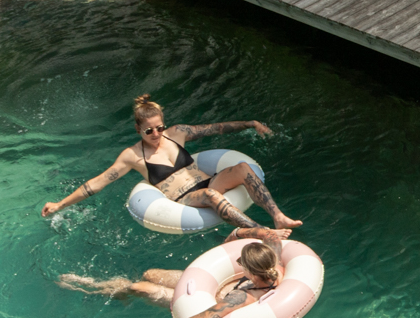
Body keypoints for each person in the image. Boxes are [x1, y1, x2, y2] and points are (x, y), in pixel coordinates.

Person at [41, 94, 300, 230]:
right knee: (210, 194)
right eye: (149, 131)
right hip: (184, 199)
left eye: (159, 127)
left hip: (209, 183)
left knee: (242, 168)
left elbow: (216, 128)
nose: (156, 134)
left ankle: (277, 217)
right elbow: (95, 184)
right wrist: (60, 204)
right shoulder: (132, 156)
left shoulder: (177, 133)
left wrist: (251, 123)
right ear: (137, 129)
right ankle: (261, 231)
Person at [58, 227, 292, 318]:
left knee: (137, 287)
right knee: (150, 273)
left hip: (205, 299)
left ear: (251, 271)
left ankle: (92, 286)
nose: (237, 262)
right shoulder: (274, 260)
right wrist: (239, 232)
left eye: (241, 262)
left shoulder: (243, 296)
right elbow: (270, 235)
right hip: (210, 285)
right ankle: (120, 289)